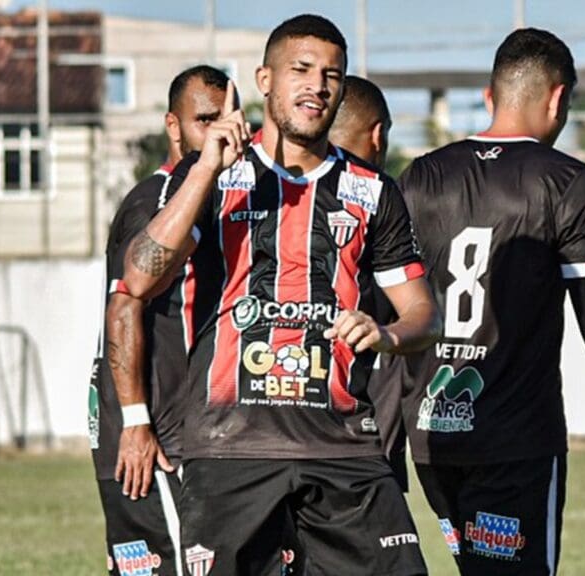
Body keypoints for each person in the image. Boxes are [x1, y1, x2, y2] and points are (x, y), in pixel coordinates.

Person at [123, 14, 440, 576]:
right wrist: (205, 171)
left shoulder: (371, 191)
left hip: (344, 448)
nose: (317, 86)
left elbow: (422, 315)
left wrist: (386, 333)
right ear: (264, 80)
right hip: (231, 448)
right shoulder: (213, 175)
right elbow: (142, 277)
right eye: (302, 70)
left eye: (332, 75)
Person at [397, 28, 585, 575]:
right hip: (514, 441)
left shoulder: (421, 175)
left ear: (491, 97)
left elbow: (386, 308)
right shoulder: (565, 180)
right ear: (558, 97)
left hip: (432, 439)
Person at [90, 64, 229, 576]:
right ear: (174, 126)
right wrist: (135, 422)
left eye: (226, 121)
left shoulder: (215, 196)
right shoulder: (158, 201)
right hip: (152, 440)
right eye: (203, 121)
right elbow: (124, 304)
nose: (216, 134)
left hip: (178, 435)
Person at [328, 74, 409, 491]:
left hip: (267, 428)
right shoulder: (383, 198)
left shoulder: (274, 191)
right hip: (364, 424)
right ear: (378, 135)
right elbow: (417, 314)